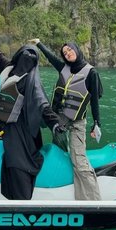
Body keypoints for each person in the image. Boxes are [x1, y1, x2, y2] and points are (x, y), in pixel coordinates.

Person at [0, 24, 65, 200]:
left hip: (20, 128)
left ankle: (21, 199)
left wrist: (55, 123)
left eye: (32, 58)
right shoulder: (6, 69)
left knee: (19, 162)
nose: (27, 60)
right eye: (25, 55)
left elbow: (43, 107)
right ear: (18, 56)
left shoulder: (33, 83)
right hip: (0, 123)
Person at [28, 38, 103, 201]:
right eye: (65, 52)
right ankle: (61, 186)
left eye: (69, 50)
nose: (68, 53)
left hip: (76, 122)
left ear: (76, 49)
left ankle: (93, 200)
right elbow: (50, 57)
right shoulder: (63, 68)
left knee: (79, 160)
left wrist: (96, 123)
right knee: (58, 152)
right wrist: (39, 43)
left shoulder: (91, 73)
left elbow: (95, 101)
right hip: (59, 121)